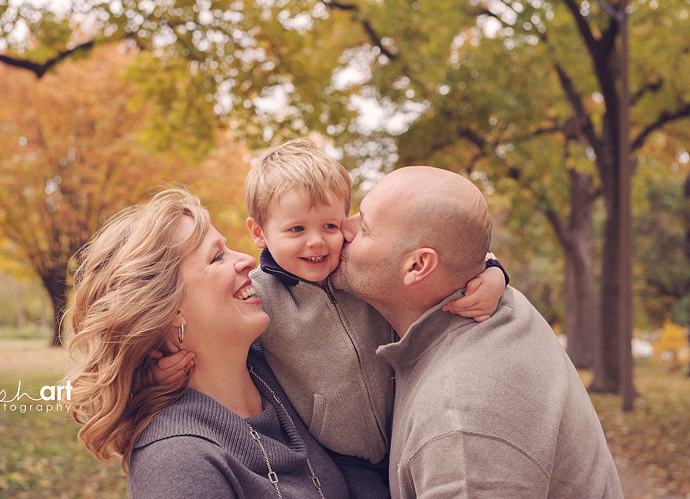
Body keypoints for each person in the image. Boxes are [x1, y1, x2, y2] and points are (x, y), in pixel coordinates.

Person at [154, 139, 509, 499]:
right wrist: (154, 372)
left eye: (329, 226)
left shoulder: (358, 271)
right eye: (296, 230)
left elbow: (437, 251)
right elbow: (217, 343)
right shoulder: (258, 296)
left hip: (406, 424)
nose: (316, 243)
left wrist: (493, 271)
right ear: (259, 232)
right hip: (345, 460)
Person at [331, 166, 624, 499]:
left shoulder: (459, 425)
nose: (344, 226)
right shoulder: (496, 301)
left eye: (364, 226)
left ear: (416, 266)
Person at [61, 188, 349, 499]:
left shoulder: (277, 364)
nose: (248, 260)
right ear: (169, 307)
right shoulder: (176, 464)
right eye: (217, 256)